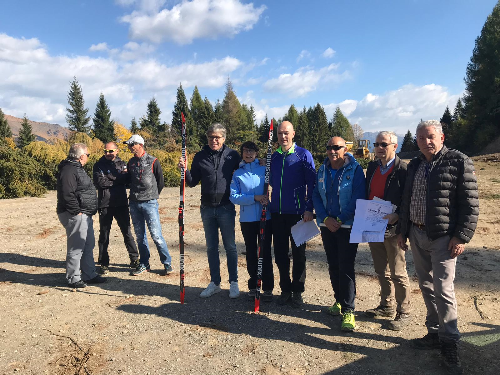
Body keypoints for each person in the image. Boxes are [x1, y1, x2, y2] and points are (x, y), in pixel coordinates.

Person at [397, 120, 479, 373]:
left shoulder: (458, 161)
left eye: (430, 136)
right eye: (421, 138)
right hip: (417, 233)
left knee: (443, 289)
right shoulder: (415, 164)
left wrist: (461, 236)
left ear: (442, 137)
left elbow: (470, 203)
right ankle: (434, 333)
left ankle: (450, 343)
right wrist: (403, 230)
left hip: (444, 237)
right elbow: (406, 199)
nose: (426, 141)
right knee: (425, 285)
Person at [178, 124, 241, 298]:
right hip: (206, 208)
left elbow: (245, 169)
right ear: (207, 138)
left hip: (226, 207)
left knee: (230, 247)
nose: (214, 140)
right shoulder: (200, 156)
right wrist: (185, 170)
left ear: (224, 138)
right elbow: (192, 182)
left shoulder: (232, 155)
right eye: (211, 137)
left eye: (217, 137)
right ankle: (215, 282)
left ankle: (234, 282)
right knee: (212, 247)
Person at [312, 137, 366, 331]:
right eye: (329, 147)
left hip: (347, 226)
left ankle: (349, 310)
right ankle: (339, 301)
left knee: (345, 267)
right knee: (333, 265)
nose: (332, 151)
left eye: (337, 147)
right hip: (327, 226)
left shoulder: (356, 170)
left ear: (345, 149)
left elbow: (358, 196)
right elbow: (316, 195)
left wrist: (341, 219)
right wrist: (326, 219)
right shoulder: (322, 169)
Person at [364, 131, 411, 331]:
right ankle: (386, 305)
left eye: (384, 144)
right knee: (381, 270)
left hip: (393, 228)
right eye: (377, 144)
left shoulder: (403, 169)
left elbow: (409, 200)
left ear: (395, 145)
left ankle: (404, 311)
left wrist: (398, 215)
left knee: (398, 272)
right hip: (374, 225)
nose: (379, 148)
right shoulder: (373, 167)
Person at [270, 121, 316, 307]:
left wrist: (309, 208)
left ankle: (298, 290)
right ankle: (285, 289)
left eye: (286, 133)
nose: (283, 137)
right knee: (280, 254)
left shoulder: (303, 155)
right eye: (280, 133)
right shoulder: (273, 157)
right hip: (277, 213)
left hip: (298, 214)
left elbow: (312, 184)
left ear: (293, 134)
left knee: (299, 254)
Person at [56, 143, 106, 288]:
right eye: (88, 155)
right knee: (76, 247)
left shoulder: (76, 168)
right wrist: (76, 211)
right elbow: (67, 193)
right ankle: (73, 277)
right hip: (76, 214)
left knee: (88, 244)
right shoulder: (69, 170)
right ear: (82, 156)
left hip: (84, 213)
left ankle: (89, 274)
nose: (88, 157)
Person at [230, 141, 274, 302]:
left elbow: (275, 186)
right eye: (245, 151)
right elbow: (234, 197)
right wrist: (254, 198)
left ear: (256, 153)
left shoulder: (264, 169)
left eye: (252, 151)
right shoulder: (237, 174)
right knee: (251, 252)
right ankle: (253, 285)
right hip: (247, 219)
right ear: (242, 153)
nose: (248, 154)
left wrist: (267, 200)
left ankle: (268, 287)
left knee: (265, 252)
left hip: (265, 217)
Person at [124, 135, 173, 276]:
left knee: (156, 235)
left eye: (131, 144)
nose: (129, 146)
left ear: (140, 144)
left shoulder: (153, 161)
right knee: (140, 236)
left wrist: (152, 196)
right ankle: (144, 264)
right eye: (129, 144)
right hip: (134, 203)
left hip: (150, 203)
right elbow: (129, 180)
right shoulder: (131, 162)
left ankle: (167, 263)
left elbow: (160, 181)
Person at [93, 142, 140, 275]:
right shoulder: (98, 165)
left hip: (121, 203)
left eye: (111, 151)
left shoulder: (123, 163)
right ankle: (103, 263)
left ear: (117, 151)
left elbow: (128, 180)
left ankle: (134, 259)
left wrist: (111, 178)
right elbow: (100, 182)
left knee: (127, 233)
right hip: (105, 204)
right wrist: (118, 179)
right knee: (104, 235)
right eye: (106, 151)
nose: (108, 153)